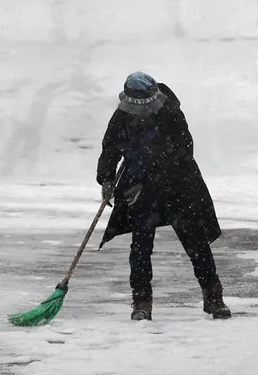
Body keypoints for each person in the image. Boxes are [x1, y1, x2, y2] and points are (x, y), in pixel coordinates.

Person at [96, 72, 232, 321]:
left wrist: (147, 175)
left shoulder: (171, 112)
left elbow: (183, 152)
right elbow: (111, 146)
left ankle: (213, 297)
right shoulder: (122, 116)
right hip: (140, 192)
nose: (142, 112)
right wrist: (106, 178)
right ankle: (141, 301)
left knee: (196, 244)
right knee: (140, 247)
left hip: (179, 186)